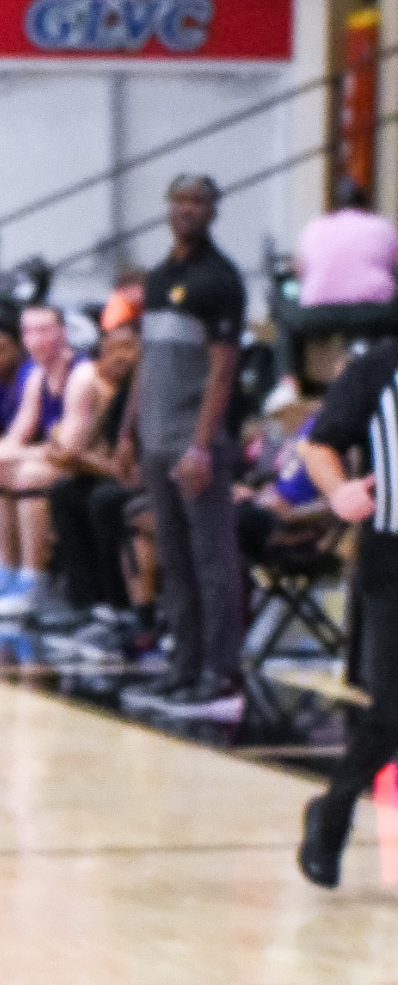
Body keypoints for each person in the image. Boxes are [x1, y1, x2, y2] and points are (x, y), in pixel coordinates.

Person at [119, 174, 248, 717]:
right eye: (178, 200)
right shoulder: (157, 278)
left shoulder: (221, 280)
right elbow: (146, 360)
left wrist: (199, 446)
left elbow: (223, 370)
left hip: (196, 442)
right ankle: (183, 667)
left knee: (211, 559)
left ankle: (220, 677)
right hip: (153, 436)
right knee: (172, 558)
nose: (187, 210)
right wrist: (127, 429)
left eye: (198, 202)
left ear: (214, 210)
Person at [295, 337, 398, 887]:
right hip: (391, 557)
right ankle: (332, 812)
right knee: (391, 710)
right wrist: (339, 493)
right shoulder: (378, 368)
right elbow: (320, 445)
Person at [0, 305, 88, 616]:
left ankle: (34, 579)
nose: (36, 339)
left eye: (44, 330)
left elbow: (67, 447)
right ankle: (5, 568)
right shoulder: (38, 375)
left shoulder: (80, 374)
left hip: (85, 462)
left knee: (28, 474)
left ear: (63, 332)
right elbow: (19, 435)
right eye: (29, 331)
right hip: (53, 456)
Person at [44, 320, 141, 618]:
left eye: (127, 347)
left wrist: (78, 459)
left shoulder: (151, 390)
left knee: (105, 500)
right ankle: (85, 599)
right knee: (65, 491)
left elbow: (127, 470)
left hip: (151, 477)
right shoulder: (118, 393)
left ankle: (120, 602)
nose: (117, 357)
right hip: (122, 474)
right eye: (108, 350)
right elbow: (86, 447)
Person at [294, 176, 397, 307]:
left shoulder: (315, 227)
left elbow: (300, 270)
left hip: (319, 309)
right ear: (365, 202)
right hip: (374, 309)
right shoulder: (382, 226)